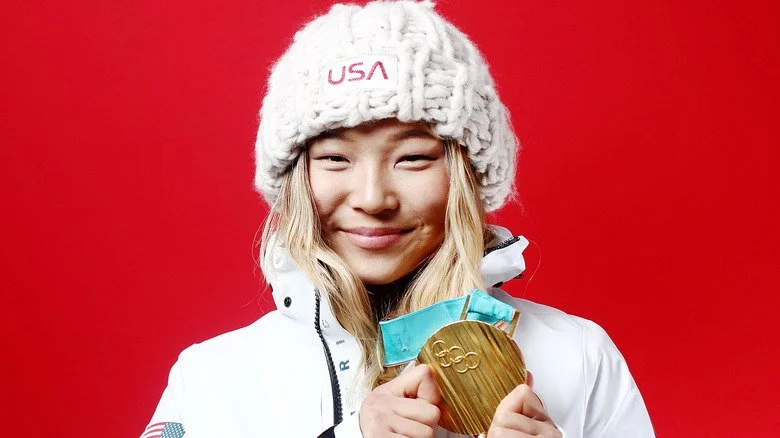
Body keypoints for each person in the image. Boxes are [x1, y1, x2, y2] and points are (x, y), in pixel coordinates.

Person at [141, 1, 654, 437]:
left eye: (412, 158)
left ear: (468, 177)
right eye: (335, 159)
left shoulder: (579, 356)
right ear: (295, 181)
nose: (373, 198)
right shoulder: (211, 376)